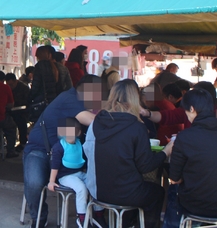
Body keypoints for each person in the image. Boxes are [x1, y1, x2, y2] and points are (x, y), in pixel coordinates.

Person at [84, 79, 172, 228]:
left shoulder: (97, 122)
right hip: (127, 193)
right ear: (134, 98)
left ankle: (126, 222)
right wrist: (166, 151)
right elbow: (146, 166)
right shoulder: (136, 126)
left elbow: (88, 151)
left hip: (98, 191)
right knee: (157, 193)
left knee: (136, 190)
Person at [23, 75, 99, 228]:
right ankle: (38, 218)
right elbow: (92, 120)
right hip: (40, 150)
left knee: (94, 179)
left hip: (66, 157)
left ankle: (91, 216)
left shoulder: (83, 104)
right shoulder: (70, 98)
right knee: (35, 182)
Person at [167, 88, 217, 223]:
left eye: (186, 111)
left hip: (195, 204)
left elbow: (174, 178)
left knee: (172, 192)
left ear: (192, 109)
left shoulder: (185, 137)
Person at [48, 117, 91, 228]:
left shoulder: (79, 144)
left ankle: (97, 214)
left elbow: (84, 160)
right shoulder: (59, 147)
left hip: (80, 173)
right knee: (81, 188)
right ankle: (82, 219)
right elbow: (55, 166)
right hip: (65, 176)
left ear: (79, 132)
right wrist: (51, 181)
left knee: (94, 184)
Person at [5, 72, 29, 151]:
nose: (10, 87)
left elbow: (27, 101)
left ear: (16, 81)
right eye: (8, 85)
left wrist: (16, 103)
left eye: (11, 85)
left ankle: (23, 142)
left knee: (21, 121)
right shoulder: (6, 88)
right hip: (9, 110)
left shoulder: (24, 88)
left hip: (21, 110)